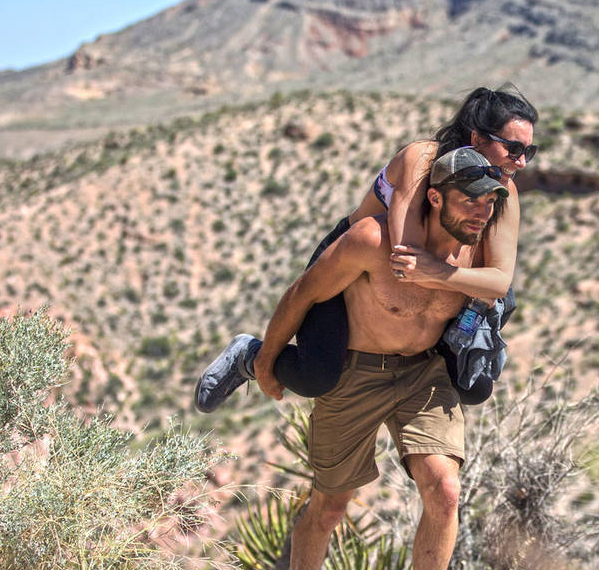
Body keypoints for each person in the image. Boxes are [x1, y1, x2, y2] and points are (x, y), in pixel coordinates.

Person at [264, 147, 506, 570]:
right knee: (332, 502)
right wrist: (267, 361)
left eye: (491, 202)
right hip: (355, 372)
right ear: (434, 198)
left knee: (445, 489)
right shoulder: (371, 242)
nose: (482, 212)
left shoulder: (477, 258)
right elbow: (303, 293)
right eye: (471, 200)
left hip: (424, 373)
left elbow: (501, 289)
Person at [194, 86, 537, 411]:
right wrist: (469, 280)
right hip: (353, 253)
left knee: (474, 387)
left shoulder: (506, 192)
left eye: (528, 152)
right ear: (477, 139)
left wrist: (449, 277)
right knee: (317, 377)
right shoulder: (422, 160)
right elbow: (408, 259)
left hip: (429, 270)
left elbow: (499, 282)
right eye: (514, 149)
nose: (521, 162)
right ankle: (247, 355)